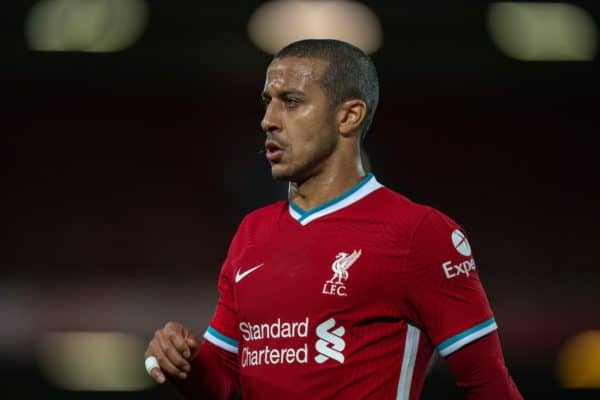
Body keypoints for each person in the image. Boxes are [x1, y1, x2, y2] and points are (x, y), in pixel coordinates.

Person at [144, 39, 523, 399]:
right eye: (267, 102)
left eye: (291, 102)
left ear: (348, 116)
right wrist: (184, 362)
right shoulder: (251, 232)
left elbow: (488, 386)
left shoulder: (420, 233)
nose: (268, 120)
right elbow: (222, 384)